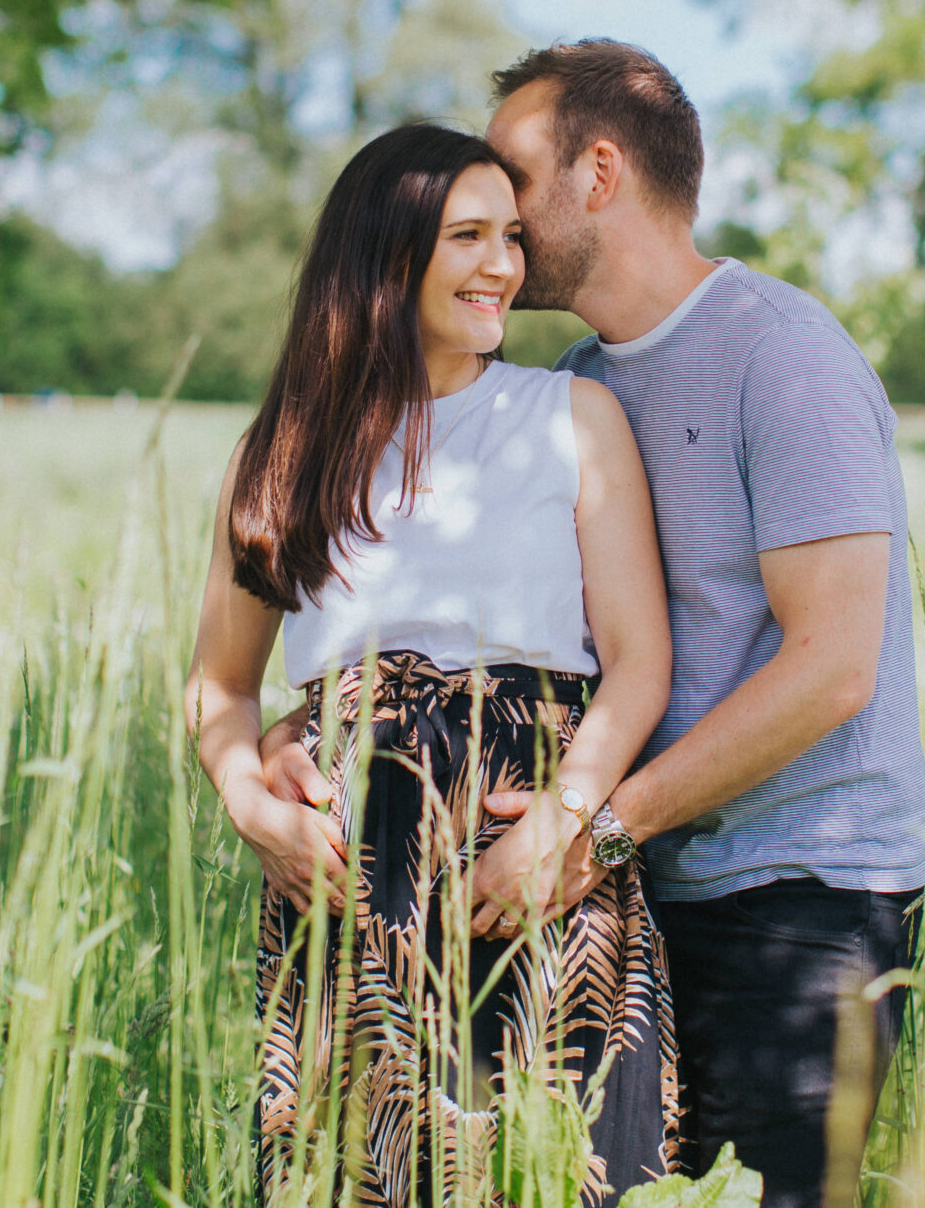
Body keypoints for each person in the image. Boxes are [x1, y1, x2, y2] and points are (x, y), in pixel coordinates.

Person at [268, 43, 925, 1208]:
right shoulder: (579, 382)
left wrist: (598, 827)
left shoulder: (782, 358)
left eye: (515, 178)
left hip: (795, 896)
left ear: (600, 172)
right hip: (633, 892)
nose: (495, 212)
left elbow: (834, 666)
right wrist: (298, 733)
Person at [185, 122, 680, 1208]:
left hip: (529, 859)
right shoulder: (281, 452)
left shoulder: (571, 418)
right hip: (349, 881)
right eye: (468, 236)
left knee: (563, 1173)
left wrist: (568, 816)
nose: (504, 263)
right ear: (384, 254)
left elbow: (641, 664)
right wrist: (246, 802)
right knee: (356, 1178)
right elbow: (221, 687)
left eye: (510, 234)